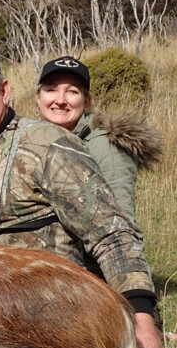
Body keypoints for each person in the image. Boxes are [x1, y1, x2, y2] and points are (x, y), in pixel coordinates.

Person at [0, 45, 164, 348]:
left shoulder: (49, 145)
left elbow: (112, 236)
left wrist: (142, 324)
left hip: (53, 315)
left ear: (4, 91)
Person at [35, 56, 162, 228]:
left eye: (72, 91)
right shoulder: (34, 140)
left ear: (87, 101)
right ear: (38, 97)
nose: (60, 100)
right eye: (51, 90)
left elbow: (122, 224)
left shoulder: (105, 146)